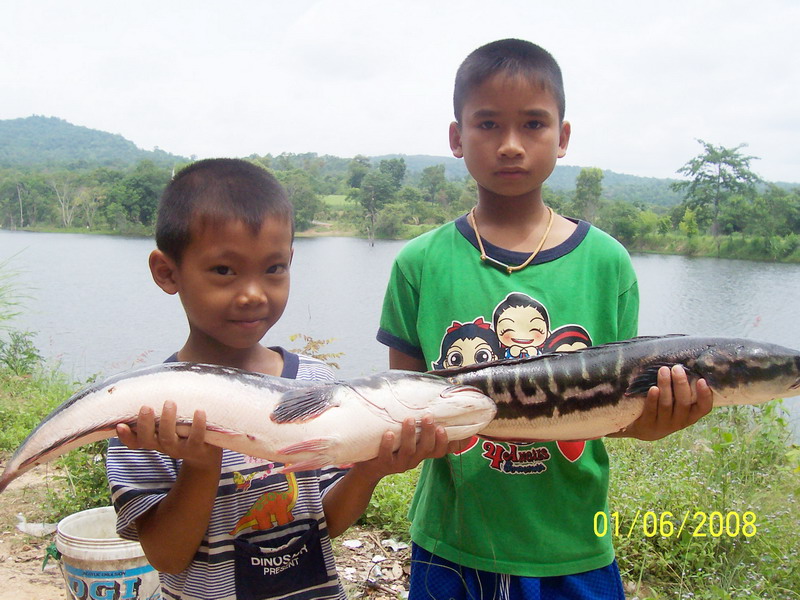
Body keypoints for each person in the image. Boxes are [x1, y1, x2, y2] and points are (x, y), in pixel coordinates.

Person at [376, 39, 713, 599]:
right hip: (450, 544)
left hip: (573, 546)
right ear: (457, 138)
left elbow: (616, 405)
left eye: (533, 124)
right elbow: (407, 397)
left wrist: (650, 422)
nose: (511, 145)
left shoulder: (608, 263)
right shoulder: (419, 264)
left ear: (562, 137)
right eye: (487, 124)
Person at [106, 158, 449, 600]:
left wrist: (369, 471)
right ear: (167, 272)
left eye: (273, 269)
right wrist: (200, 465)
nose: (253, 294)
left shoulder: (314, 384)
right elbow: (167, 557)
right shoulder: (148, 410)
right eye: (224, 271)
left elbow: (326, 523)